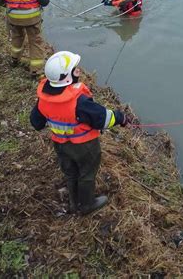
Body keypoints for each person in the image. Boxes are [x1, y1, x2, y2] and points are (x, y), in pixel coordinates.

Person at [30, 51, 128, 215]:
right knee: (87, 174)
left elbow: (36, 123)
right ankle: (86, 205)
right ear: (67, 77)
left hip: (60, 145)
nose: (79, 71)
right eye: (75, 70)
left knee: (70, 173)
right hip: (85, 147)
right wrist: (121, 117)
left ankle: (74, 203)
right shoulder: (78, 101)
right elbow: (103, 118)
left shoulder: (43, 99)